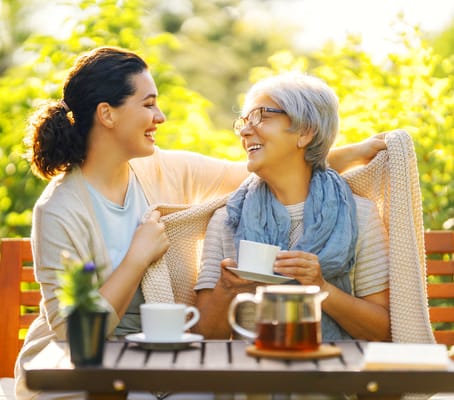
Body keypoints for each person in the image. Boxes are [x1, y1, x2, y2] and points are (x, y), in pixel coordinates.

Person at [15, 46, 386, 399]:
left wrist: (348, 153)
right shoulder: (60, 209)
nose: (160, 117)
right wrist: (136, 259)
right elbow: (72, 335)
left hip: (156, 361)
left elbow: (265, 171)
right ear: (107, 114)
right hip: (74, 373)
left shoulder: (160, 168)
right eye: (148, 105)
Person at [194, 72, 391, 344]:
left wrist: (320, 288)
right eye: (244, 121)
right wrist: (225, 289)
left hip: (331, 374)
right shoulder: (228, 219)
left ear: (305, 132)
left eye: (262, 115)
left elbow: (382, 332)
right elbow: (204, 337)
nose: (245, 130)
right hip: (251, 375)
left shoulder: (360, 216)